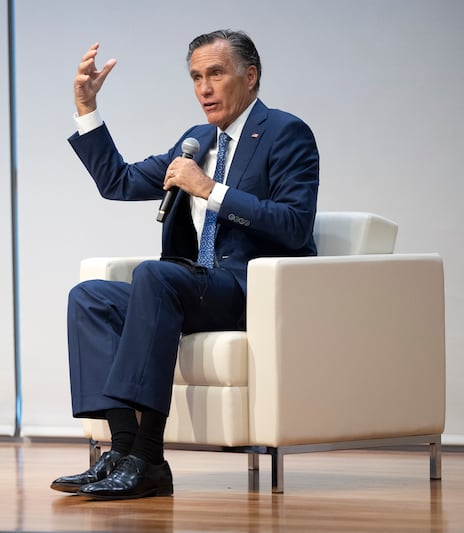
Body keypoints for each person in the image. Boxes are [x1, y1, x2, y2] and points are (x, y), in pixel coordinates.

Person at [51, 30, 319, 500]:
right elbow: (118, 181)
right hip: (194, 286)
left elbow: (296, 224)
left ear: (250, 76)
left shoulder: (285, 132)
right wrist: (87, 109)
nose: (204, 88)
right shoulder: (195, 141)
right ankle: (123, 449)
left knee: (154, 275)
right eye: (196, 76)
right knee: (90, 295)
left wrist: (210, 191)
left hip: (248, 289)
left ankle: (150, 458)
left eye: (216, 73)